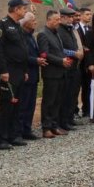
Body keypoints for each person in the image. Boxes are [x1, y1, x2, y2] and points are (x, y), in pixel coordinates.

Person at [0, 0, 29, 150]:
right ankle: (2, 139)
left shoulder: (18, 26)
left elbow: (23, 49)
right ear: (16, 9)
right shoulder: (2, 25)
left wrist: (26, 70)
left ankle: (14, 135)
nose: (25, 11)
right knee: (7, 105)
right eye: (23, 9)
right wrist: (3, 71)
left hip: (20, 71)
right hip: (9, 71)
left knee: (17, 104)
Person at [37, 10, 70, 138]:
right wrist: (61, 61)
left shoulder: (56, 33)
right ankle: (46, 128)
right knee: (49, 101)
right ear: (49, 20)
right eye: (56, 20)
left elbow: (59, 51)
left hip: (61, 72)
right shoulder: (43, 34)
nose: (58, 22)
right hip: (51, 73)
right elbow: (45, 54)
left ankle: (54, 125)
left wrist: (65, 60)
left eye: (59, 19)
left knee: (57, 101)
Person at [18, 12, 44, 140]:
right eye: (33, 20)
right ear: (25, 22)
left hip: (34, 75)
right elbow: (22, 56)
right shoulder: (21, 36)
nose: (35, 22)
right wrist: (36, 60)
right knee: (24, 104)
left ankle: (27, 129)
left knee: (31, 104)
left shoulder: (31, 35)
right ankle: (20, 130)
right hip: (26, 74)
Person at [57, 8, 83, 131]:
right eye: (69, 17)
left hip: (75, 67)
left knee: (73, 95)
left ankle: (69, 118)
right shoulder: (59, 30)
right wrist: (74, 53)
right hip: (65, 67)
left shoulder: (70, 29)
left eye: (72, 17)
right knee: (65, 95)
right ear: (62, 17)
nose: (71, 19)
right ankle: (62, 121)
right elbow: (59, 49)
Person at [75, 7, 92, 118]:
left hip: (89, 62)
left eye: (90, 14)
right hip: (78, 63)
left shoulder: (91, 29)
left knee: (88, 87)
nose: (89, 16)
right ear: (80, 16)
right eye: (86, 14)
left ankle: (87, 109)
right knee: (76, 88)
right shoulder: (75, 29)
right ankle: (74, 110)